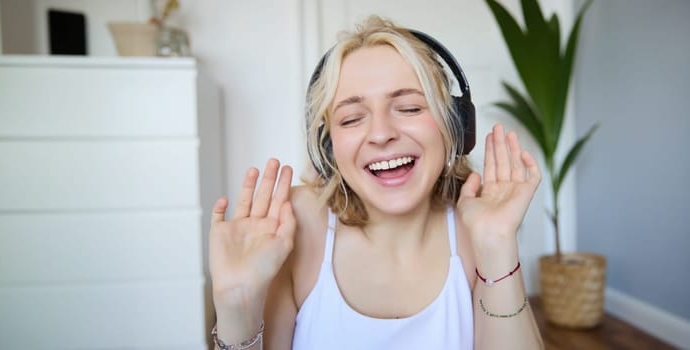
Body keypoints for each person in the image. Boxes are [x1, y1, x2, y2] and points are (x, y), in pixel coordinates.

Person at [208, 16, 544, 350]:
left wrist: (497, 243)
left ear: (454, 125)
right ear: (329, 145)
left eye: (410, 108)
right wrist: (236, 307)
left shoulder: (476, 230)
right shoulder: (292, 225)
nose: (381, 134)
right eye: (352, 118)